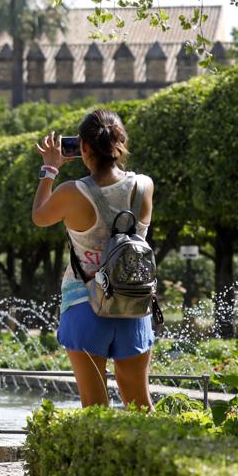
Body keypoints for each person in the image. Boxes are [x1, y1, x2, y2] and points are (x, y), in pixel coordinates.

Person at [31, 108, 155, 409]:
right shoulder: (144, 185)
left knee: (95, 407)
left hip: (84, 303)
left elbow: (39, 217)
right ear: (120, 141)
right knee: (140, 404)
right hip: (133, 303)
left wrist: (50, 169)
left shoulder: (72, 192)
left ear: (83, 147)